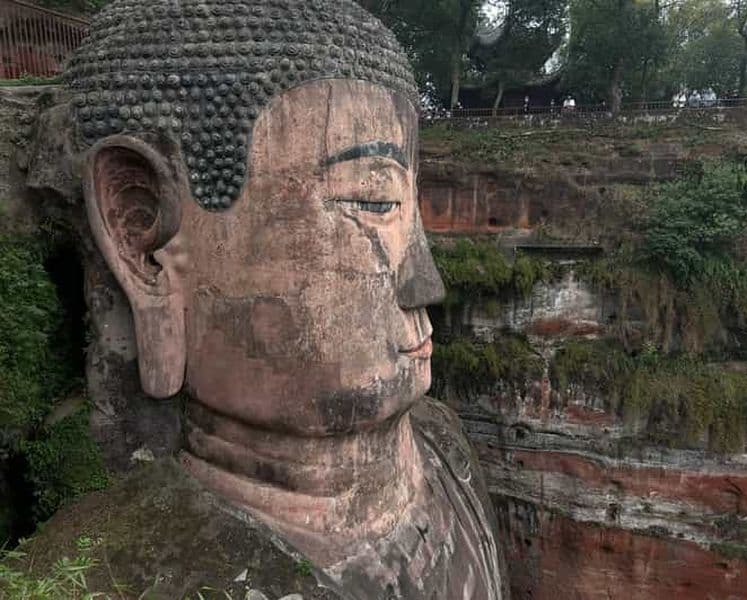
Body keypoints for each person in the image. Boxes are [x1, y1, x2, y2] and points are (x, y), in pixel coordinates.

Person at [38, 0, 509, 597]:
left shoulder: (446, 453)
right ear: (142, 238)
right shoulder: (126, 578)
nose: (427, 282)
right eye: (372, 200)